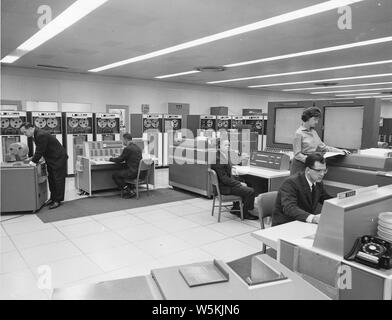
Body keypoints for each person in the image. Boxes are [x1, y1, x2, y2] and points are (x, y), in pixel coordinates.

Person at [272, 152, 332, 226]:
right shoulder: (291, 183)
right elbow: (290, 208)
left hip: (303, 223)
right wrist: (313, 218)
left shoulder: (318, 182)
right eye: (318, 171)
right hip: (286, 225)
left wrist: (341, 201)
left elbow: (325, 198)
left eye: (324, 170)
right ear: (307, 170)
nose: (322, 174)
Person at [20, 122, 68, 209]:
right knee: (51, 178)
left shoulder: (40, 134)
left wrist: (32, 162)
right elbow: (41, 149)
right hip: (51, 159)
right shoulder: (36, 135)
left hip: (58, 159)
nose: (24, 134)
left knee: (58, 180)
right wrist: (33, 158)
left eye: (25, 132)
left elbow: (40, 150)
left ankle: (58, 200)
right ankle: (53, 198)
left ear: (30, 128)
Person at [291, 106, 350, 175]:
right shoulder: (299, 133)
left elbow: (324, 147)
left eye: (317, 119)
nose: (317, 122)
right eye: (315, 119)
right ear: (307, 118)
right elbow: (297, 154)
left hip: (311, 164)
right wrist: (311, 161)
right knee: (300, 185)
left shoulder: (313, 132)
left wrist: (340, 151)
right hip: (300, 166)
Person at [211, 139, 258, 220]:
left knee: (247, 184)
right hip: (224, 188)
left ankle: (235, 208)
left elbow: (228, 167)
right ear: (219, 147)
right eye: (226, 145)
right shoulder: (218, 159)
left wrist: (239, 161)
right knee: (250, 191)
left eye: (228, 145)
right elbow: (225, 179)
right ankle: (245, 213)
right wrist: (239, 183)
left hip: (224, 185)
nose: (228, 147)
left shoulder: (221, 155)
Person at [109, 133, 143, 198]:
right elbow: (128, 157)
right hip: (139, 172)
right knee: (122, 170)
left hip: (132, 173)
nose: (122, 141)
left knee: (115, 175)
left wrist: (110, 159)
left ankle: (129, 191)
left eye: (123, 140)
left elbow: (120, 160)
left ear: (125, 139)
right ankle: (131, 188)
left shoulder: (127, 148)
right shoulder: (137, 147)